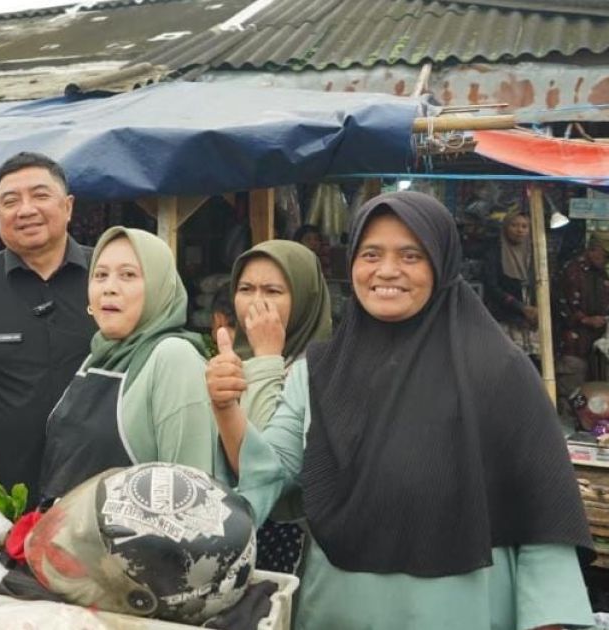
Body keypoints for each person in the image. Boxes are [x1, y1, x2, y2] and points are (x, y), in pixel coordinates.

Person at [206, 191, 593, 629]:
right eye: (371, 254)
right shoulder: (319, 373)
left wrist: (546, 621)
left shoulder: (498, 372)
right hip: (338, 609)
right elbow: (268, 473)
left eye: (411, 256)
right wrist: (226, 408)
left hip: (461, 610)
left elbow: (543, 511)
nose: (387, 270)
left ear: (441, 264)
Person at [0, 152, 96, 504]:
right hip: (14, 485)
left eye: (40, 195)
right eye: (11, 201)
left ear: (68, 206)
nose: (26, 210)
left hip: (101, 479)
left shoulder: (108, 272)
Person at [37, 227, 215, 499]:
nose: (109, 288)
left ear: (158, 288)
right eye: (100, 275)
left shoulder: (174, 358)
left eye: (128, 275)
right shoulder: (97, 356)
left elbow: (190, 494)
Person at [228, 240, 331, 574]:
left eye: (272, 291)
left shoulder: (321, 371)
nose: (256, 303)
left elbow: (264, 464)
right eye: (246, 289)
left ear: (304, 299)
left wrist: (267, 357)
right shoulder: (230, 362)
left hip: (290, 545)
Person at [556, 234, 609, 422]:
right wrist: (586, 320)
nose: (606, 260)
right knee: (572, 397)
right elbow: (560, 306)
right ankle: (567, 431)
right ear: (592, 250)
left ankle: (597, 433)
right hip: (574, 346)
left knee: (596, 402)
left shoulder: (601, 274)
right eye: (605, 255)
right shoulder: (571, 271)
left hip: (597, 350)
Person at [483, 210, 540, 360]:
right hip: (505, 317)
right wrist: (520, 307)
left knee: (533, 362)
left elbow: (542, 284)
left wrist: (537, 310)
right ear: (506, 228)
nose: (519, 230)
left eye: (524, 226)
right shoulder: (495, 253)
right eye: (514, 225)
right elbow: (492, 287)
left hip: (532, 321)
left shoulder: (535, 255)